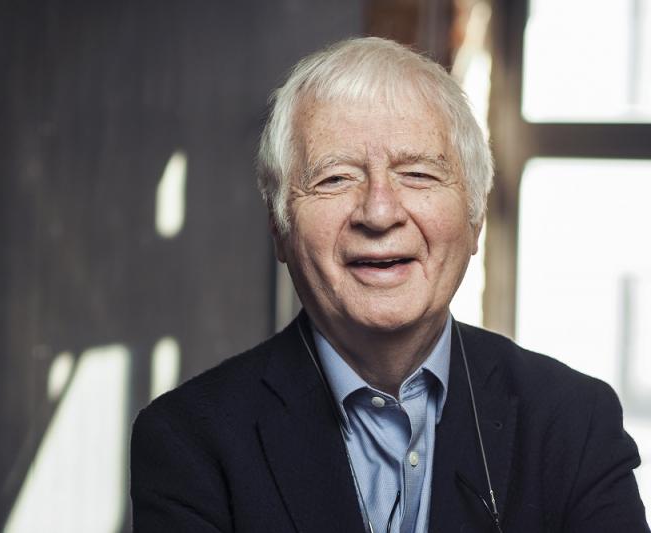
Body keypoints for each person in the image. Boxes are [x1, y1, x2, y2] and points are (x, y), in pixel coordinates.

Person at [130, 37, 649, 532]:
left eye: (418, 174)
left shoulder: (574, 423)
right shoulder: (188, 441)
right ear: (279, 227)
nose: (379, 213)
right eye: (335, 178)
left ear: (475, 219)